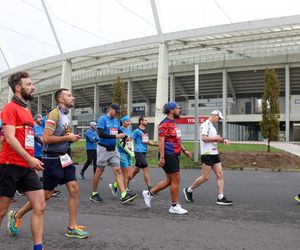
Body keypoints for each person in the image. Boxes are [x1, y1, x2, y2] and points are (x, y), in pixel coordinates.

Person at [7, 88, 89, 239]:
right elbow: (46, 138)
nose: (73, 98)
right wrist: (67, 138)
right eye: (69, 95)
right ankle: (17, 215)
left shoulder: (66, 114)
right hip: (52, 159)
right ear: (61, 100)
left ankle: (71, 227)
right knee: (46, 195)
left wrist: (69, 137)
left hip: (65, 157)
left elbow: (65, 134)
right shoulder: (54, 114)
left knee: (74, 188)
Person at [0, 71, 45, 250]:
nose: (33, 87)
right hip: (9, 166)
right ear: (18, 88)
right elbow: (10, 138)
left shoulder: (26, 109)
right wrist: (30, 158)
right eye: (29, 84)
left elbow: (27, 136)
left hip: (26, 166)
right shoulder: (10, 108)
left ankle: (38, 247)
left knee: (40, 206)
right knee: (2, 211)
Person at [142, 102, 192, 215]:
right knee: (176, 179)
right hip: (168, 154)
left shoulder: (173, 123)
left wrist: (184, 150)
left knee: (170, 181)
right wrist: (162, 157)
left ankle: (149, 193)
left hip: (174, 154)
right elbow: (161, 141)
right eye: (178, 108)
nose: (180, 110)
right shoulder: (164, 124)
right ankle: (174, 206)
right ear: (171, 110)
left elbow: (176, 140)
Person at [183, 110, 233, 206]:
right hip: (207, 154)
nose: (219, 120)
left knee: (220, 174)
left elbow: (214, 139)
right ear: (214, 115)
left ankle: (220, 197)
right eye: (219, 118)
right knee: (205, 177)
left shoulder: (212, 127)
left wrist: (223, 140)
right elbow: (204, 138)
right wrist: (217, 138)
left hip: (214, 153)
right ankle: (188, 190)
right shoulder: (205, 125)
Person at [90, 104, 137, 204]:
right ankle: (94, 193)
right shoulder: (102, 119)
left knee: (118, 171)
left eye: (118, 113)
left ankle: (124, 195)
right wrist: (116, 136)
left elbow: (120, 131)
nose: (117, 114)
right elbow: (101, 134)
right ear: (110, 109)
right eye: (116, 112)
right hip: (103, 150)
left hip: (114, 150)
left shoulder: (116, 121)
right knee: (99, 172)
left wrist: (125, 137)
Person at [33, 114, 60, 198]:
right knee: (33, 171)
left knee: (46, 171)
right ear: (35, 119)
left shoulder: (42, 128)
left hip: (42, 153)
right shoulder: (32, 127)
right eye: (39, 117)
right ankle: (25, 188)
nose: (41, 119)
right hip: (34, 152)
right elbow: (35, 137)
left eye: (41, 117)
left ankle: (48, 188)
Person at [129, 115, 158, 191]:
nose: (146, 121)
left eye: (146, 120)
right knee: (146, 168)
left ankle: (125, 181)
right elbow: (130, 139)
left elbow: (147, 141)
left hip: (143, 152)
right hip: (138, 152)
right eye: (145, 120)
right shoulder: (136, 131)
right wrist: (130, 150)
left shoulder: (145, 131)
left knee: (136, 170)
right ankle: (150, 187)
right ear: (141, 121)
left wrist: (156, 144)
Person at [108, 115, 134, 197]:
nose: (128, 122)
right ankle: (125, 192)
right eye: (126, 121)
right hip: (122, 153)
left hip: (129, 153)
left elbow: (131, 140)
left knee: (130, 175)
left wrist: (131, 150)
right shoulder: (120, 129)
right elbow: (119, 141)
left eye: (129, 121)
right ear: (123, 121)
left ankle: (114, 185)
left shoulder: (129, 130)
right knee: (125, 175)